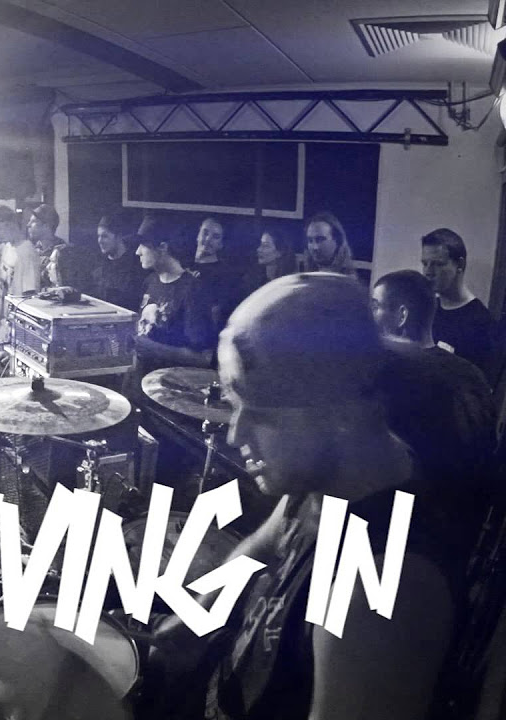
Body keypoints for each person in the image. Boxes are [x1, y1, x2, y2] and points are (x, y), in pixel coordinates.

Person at [148, 273, 457, 720]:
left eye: (259, 414)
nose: (235, 434)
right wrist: (194, 620)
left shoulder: (379, 595)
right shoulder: (327, 479)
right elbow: (263, 546)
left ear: (342, 414)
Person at [370, 270, 493, 550]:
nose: (370, 316)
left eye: (376, 306)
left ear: (402, 316)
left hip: (397, 531)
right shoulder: (472, 374)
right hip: (458, 530)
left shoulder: (392, 374)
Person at [131, 232, 215, 378]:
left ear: (163, 247)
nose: (137, 252)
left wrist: (151, 348)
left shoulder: (193, 289)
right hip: (140, 380)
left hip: (169, 384)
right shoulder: (150, 281)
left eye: (143, 245)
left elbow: (203, 358)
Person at [421, 228, 494, 374]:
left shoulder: (481, 324)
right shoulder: (427, 308)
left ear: (460, 265)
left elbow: (477, 383)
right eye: (425, 263)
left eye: (438, 264)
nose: (428, 272)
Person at [0, 205, 41, 344]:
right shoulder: (7, 247)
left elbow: (29, 297)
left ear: (8, 225)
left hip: (14, 330)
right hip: (0, 326)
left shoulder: (26, 252)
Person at [192, 217, 244, 329]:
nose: (208, 239)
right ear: (198, 235)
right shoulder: (181, 264)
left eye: (215, 237)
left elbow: (217, 314)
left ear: (221, 244)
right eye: (205, 233)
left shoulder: (226, 275)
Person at [90, 212, 145, 311]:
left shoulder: (135, 268)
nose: (100, 241)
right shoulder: (99, 267)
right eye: (98, 236)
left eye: (105, 236)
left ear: (119, 237)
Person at [242, 227, 298, 294]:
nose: (259, 249)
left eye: (265, 246)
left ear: (280, 252)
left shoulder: (290, 282)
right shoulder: (252, 279)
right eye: (260, 245)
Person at [304, 211, 355, 276]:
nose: (315, 247)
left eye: (320, 240)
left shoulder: (349, 280)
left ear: (337, 240)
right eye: (310, 240)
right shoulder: (300, 277)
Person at [27, 203, 65, 281]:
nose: (28, 225)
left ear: (46, 226)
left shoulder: (62, 252)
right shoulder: (32, 250)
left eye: (33, 221)